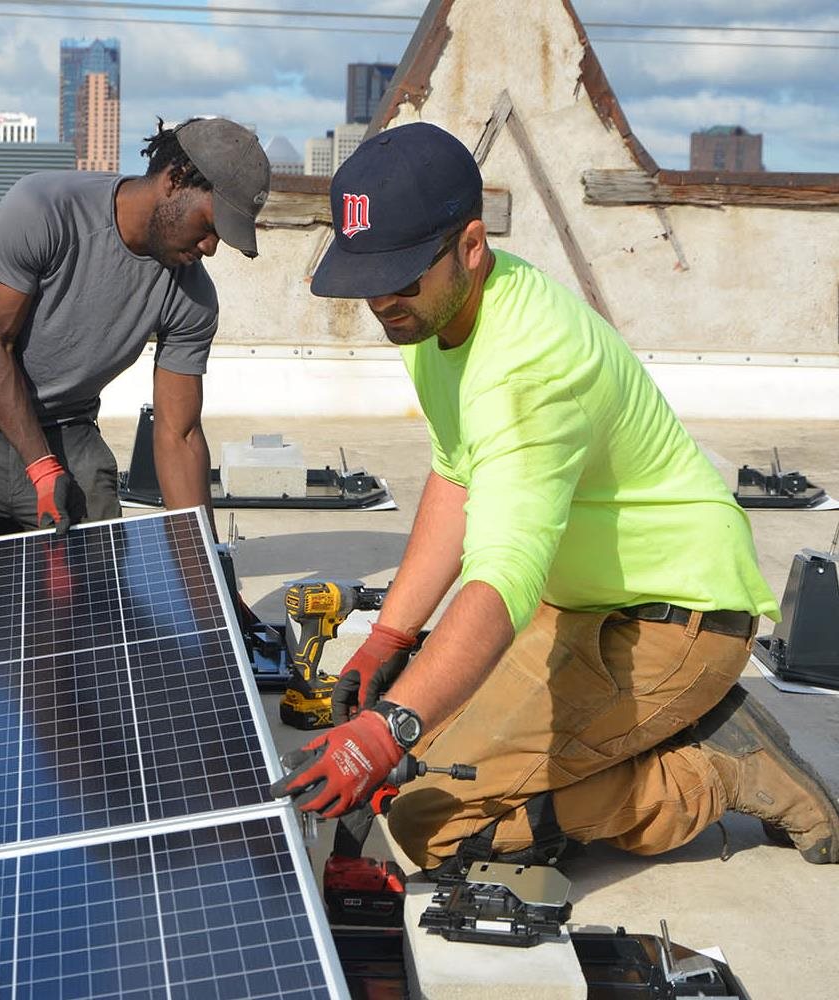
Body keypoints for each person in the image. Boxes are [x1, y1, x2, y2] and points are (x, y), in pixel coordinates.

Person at [271, 122, 838, 872]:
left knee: (423, 818)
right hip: (578, 600)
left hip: (672, 619)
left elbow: (503, 572)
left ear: (472, 247)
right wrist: (389, 640)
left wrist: (385, 732)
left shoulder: (528, 367)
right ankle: (648, 729)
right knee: (419, 735)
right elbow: (456, 475)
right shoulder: (436, 320)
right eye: (367, 277)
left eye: (401, 276)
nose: (382, 301)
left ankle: (718, 772)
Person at [0, 116, 270, 552]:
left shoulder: (192, 295)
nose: (211, 248)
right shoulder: (43, 208)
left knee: (93, 599)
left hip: (69, 429)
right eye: (210, 226)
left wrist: (206, 562)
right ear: (175, 181)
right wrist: (42, 470)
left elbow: (179, 436)